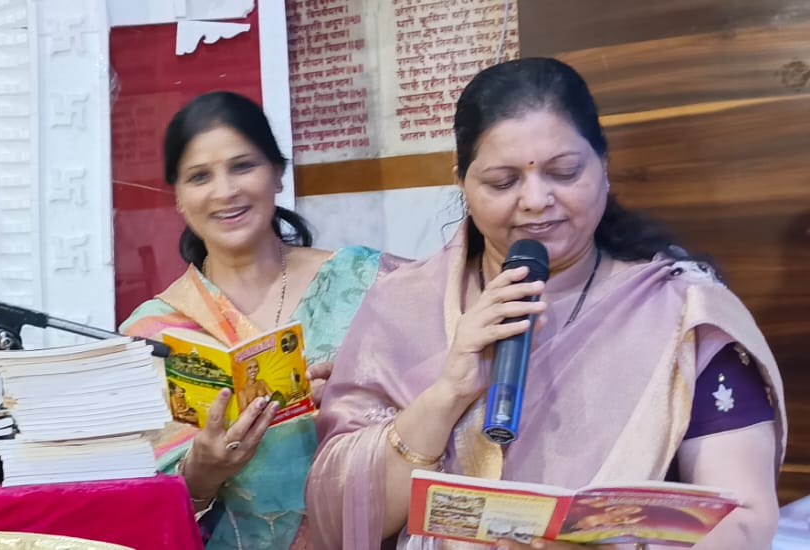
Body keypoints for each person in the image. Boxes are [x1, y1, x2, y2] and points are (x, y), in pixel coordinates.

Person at [306, 58, 785, 550]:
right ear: (463, 183)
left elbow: (745, 518)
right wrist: (446, 395)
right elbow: (338, 516)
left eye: (564, 172)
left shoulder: (680, 313)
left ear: (603, 166)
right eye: (503, 181)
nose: (536, 199)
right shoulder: (399, 304)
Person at [119, 91, 403, 549]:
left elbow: (440, 405)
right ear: (179, 196)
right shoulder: (152, 333)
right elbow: (138, 505)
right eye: (200, 176)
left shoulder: (366, 280)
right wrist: (203, 471)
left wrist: (358, 401)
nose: (225, 191)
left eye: (243, 166)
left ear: (277, 172)